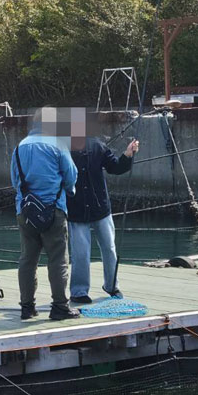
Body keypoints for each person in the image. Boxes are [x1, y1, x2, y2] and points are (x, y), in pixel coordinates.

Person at [11, 109, 79, 321]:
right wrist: (69, 191)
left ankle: (27, 307)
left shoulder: (20, 146)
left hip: (25, 211)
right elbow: (71, 175)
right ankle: (60, 307)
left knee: (27, 259)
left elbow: (15, 180)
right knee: (58, 259)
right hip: (53, 210)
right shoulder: (57, 144)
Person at [67, 126, 139, 303]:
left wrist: (128, 154)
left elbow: (115, 167)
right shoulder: (62, 149)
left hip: (101, 209)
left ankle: (112, 286)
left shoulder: (97, 146)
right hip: (76, 210)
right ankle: (79, 292)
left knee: (109, 248)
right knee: (80, 253)